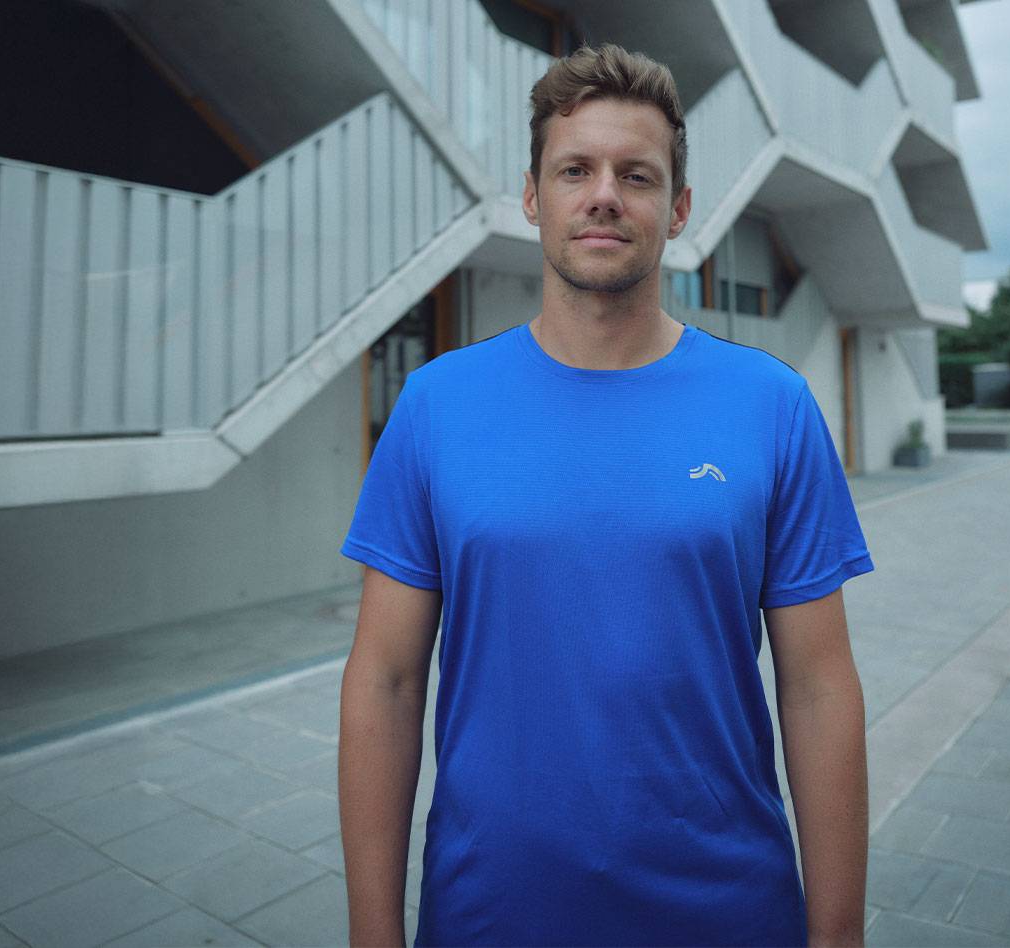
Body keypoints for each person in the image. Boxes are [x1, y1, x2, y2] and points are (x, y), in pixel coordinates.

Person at [338, 43, 873, 948]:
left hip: (728, 910)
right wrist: (372, 934)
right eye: (574, 169)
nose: (603, 196)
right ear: (532, 195)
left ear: (679, 208)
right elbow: (385, 683)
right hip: (489, 911)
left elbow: (819, 687)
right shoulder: (436, 405)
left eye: (637, 174)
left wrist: (838, 934)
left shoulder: (771, 405)